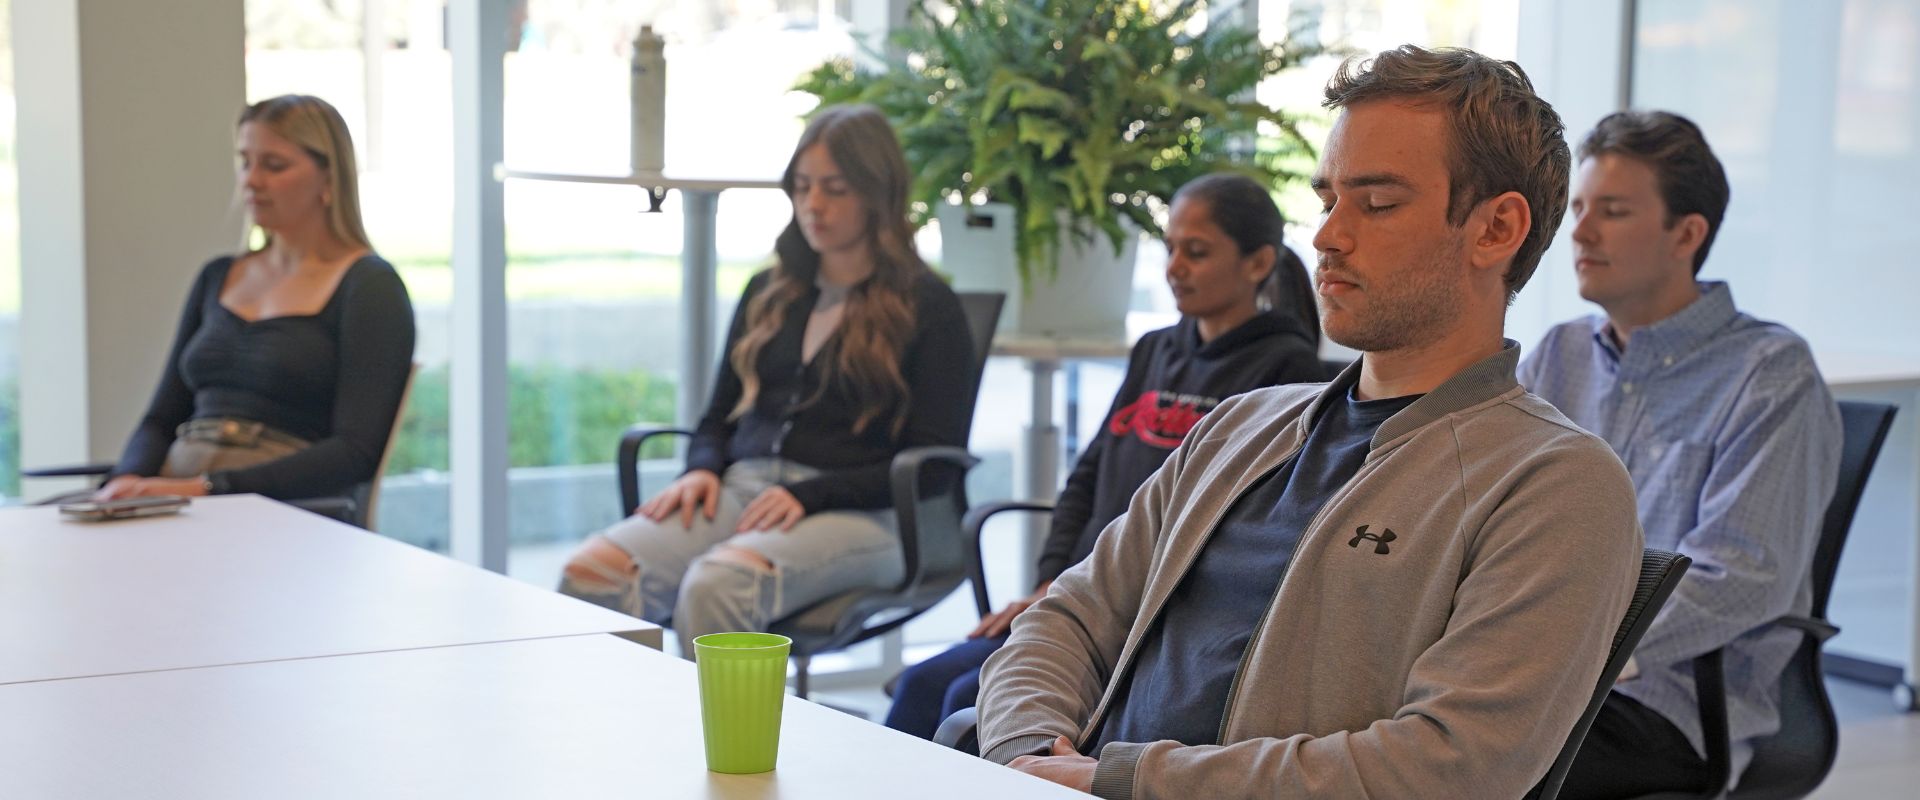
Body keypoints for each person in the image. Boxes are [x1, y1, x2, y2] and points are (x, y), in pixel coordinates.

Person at [974, 46, 1643, 799]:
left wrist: (1121, 779)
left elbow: (1451, 766)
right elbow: (1067, 617)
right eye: (1328, 199)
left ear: (1495, 230)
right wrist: (1026, 752)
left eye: (1378, 203)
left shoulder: (1553, 484)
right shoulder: (1238, 428)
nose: (1328, 235)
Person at [882, 173, 1324, 739]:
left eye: (1197, 252)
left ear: (1258, 263)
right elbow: (1086, 479)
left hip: (1149, 623)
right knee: (925, 686)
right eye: (1169, 249)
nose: (1174, 268)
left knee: (963, 699)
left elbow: (1247, 539)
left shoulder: (1287, 375)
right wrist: (1049, 587)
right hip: (1079, 599)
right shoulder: (1154, 350)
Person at [555, 105, 975, 656]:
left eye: (835, 189)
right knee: (591, 574)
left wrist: (809, 494)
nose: (813, 205)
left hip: (869, 515)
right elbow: (717, 416)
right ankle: (624, 736)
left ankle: (727, 744)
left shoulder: (930, 309)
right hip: (745, 492)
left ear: (878, 194)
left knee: (718, 585)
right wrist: (702, 467)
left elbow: (933, 467)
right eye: (801, 188)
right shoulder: (769, 292)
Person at [1519, 110, 1842, 798]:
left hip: (1668, 704)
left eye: (1612, 211)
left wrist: (1565, 655)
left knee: (1460, 770)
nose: (1579, 231)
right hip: (1533, 676)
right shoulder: (1557, 354)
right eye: (1578, 207)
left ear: (1685, 234)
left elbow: (1741, 577)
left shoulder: (1770, 373)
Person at [95, 94, 415, 503]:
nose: (251, 180)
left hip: (280, 508)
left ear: (329, 177)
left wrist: (208, 489)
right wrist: (127, 480)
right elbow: (161, 419)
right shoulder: (218, 276)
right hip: (179, 492)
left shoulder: (370, 287)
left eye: (274, 165)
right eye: (245, 162)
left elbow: (354, 452)